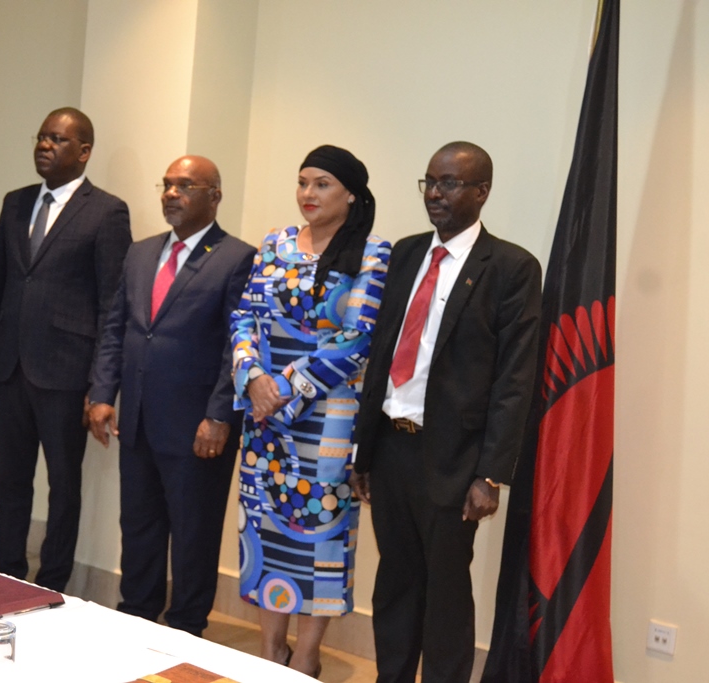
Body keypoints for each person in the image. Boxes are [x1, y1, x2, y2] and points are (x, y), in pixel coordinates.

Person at [351, 141, 542, 683]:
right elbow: (383, 353)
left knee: (447, 594)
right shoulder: (406, 253)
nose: (435, 193)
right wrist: (365, 450)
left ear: (482, 192)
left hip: (455, 461)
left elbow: (515, 381)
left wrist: (490, 475)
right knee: (395, 584)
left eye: (451, 183)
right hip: (391, 447)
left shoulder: (511, 268)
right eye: (430, 181)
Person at [231, 145, 391, 677]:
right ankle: (269, 650)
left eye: (322, 184)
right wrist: (254, 378)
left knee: (321, 535)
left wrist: (286, 384)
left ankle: (304, 657)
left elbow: (359, 339)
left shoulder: (373, 254)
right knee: (266, 528)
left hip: (329, 421)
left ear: (350, 193)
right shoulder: (274, 244)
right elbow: (244, 319)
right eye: (302, 183)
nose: (308, 194)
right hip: (264, 415)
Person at [87, 156, 254, 636]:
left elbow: (236, 346)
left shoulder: (237, 258)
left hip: (197, 427)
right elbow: (117, 326)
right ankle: (137, 617)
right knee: (138, 528)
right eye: (167, 184)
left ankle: (185, 628)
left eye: (185, 185)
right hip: (137, 418)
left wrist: (220, 415)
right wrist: (102, 393)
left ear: (214, 196)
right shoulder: (141, 252)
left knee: (193, 536)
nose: (171, 193)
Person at [0, 107, 132, 592]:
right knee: (9, 481)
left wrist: (101, 385)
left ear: (83, 152)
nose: (45, 146)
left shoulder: (106, 211)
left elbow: (112, 304)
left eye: (58, 140)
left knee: (63, 487)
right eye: (42, 137)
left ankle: (53, 581)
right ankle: (6, 572)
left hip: (66, 375)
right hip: (9, 368)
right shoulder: (15, 203)